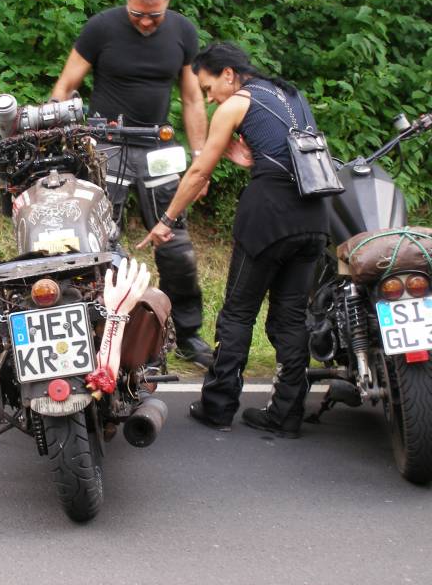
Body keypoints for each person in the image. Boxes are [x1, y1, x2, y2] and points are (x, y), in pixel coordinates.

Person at [136, 42, 330, 438]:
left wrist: (166, 220)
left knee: (238, 313)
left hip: (268, 217)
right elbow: (282, 149)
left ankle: (218, 408)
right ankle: (286, 415)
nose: (208, 99)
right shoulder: (291, 93)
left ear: (228, 74)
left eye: (208, 89)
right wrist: (240, 154)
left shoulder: (235, 104)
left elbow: (197, 174)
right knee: (292, 317)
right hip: (314, 215)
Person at [50, 0, 212, 368]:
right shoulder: (101, 28)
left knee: (176, 246)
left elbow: (192, 99)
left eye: (153, 15)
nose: (143, 21)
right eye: (136, 13)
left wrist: (200, 158)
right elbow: (65, 86)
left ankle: (187, 334)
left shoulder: (182, 32)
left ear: (167, 1)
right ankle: (106, 332)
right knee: (103, 243)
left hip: (158, 148)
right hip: (106, 147)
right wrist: (55, 140)